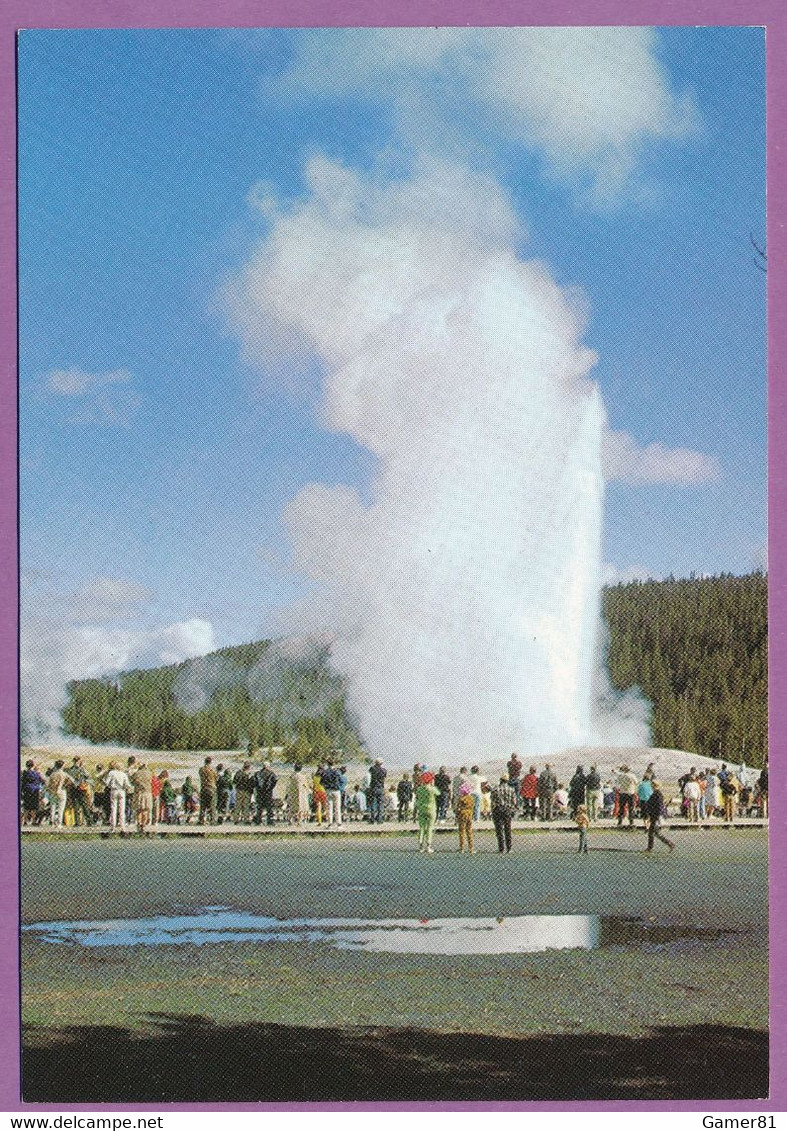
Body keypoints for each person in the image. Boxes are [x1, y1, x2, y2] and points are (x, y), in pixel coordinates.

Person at [490, 775, 518, 854]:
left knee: (499, 830)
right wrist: (513, 810)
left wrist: (492, 810)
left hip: (498, 809)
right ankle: (509, 848)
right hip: (507, 810)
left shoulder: (495, 789)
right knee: (507, 829)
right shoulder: (511, 789)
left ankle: (501, 848)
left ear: (500, 780)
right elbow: (514, 802)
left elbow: (492, 801)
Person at [645, 780, 675, 852]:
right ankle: (669, 844)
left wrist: (657, 816)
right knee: (654, 832)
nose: (651, 786)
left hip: (655, 815)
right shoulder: (656, 793)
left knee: (652, 832)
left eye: (652, 785)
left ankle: (650, 848)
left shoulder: (657, 794)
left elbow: (658, 806)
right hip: (654, 815)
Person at [414, 771, 440, 854]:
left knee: (421, 827)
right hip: (431, 809)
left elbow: (417, 796)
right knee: (430, 828)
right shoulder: (432, 789)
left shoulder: (419, 789)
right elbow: (438, 793)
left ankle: (421, 846)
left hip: (421, 809)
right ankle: (428, 846)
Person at [104, 761, 132, 830]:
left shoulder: (112, 773)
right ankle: (122, 826)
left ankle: (113, 825)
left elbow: (107, 783)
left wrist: (111, 785)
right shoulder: (123, 774)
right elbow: (127, 784)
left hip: (114, 790)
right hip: (122, 791)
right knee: (122, 809)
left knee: (113, 808)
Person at [46, 761, 73, 829]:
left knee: (53, 807)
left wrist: (51, 789)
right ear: (62, 766)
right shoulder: (64, 774)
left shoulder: (52, 774)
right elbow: (72, 780)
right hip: (62, 791)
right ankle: (59, 823)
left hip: (53, 791)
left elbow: (48, 784)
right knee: (61, 808)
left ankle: (52, 823)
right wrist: (65, 785)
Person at [68, 756, 93, 826]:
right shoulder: (81, 769)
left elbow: (88, 777)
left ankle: (80, 822)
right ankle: (86, 821)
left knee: (80, 805)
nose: (76, 762)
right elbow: (88, 777)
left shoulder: (72, 769)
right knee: (80, 805)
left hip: (77, 788)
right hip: (78, 788)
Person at [21, 760, 46, 825]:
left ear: (27, 765)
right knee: (34, 807)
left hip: (27, 791)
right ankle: (33, 821)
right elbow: (43, 781)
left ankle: (25, 821)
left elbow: (22, 783)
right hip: (35, 791)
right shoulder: (37, 773)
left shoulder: (24, 773)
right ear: (33, 765)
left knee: (26, 806)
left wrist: (21, 791)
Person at [255, 761, 278, 826]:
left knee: (259, 807)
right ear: (268, 766)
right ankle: (270, 821)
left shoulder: (258, 773)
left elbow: (254, 782)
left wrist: (257, 788)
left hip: (260, 792)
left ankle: (258, 820)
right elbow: (275, 780)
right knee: (269, 807)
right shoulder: (271, 773)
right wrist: (271, 787)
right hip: (268, 792)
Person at [321, 760, 343, 826]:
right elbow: (341, 780)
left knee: (329, 807)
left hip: (328, 790)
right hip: (336, 790)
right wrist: (339, 787)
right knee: (337, 807)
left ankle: (330, 823)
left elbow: (321, 782)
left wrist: (325, 787)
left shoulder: (325, 772)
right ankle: (338, 823)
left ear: (327, 764)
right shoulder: (336, 771)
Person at [456, 782, 475, 854]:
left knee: (462, 831)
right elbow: (473, 807)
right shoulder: (471, 798)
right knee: (469, 831)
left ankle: (462, 848)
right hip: (469, 814)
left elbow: (458, 808)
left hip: (462, 814)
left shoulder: (461, 798)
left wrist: (457, 816)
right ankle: (471, 848)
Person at [199, 757, 218, 825]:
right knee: (212, 806)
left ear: (205, 761)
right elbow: (216, 778)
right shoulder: (212, 770)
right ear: (211, 762)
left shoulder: (201, 769)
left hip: (203, 788)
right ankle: (212, 820)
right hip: (211, 789)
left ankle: (201, 820)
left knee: (202, 806)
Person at [368, 759, 387, 824]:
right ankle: (380, 819)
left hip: (373, 787)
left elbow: (370, 772)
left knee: (372, 803)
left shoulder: (372, 769)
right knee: (380, 804)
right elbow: (384, 777)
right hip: (380, 787)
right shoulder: (383, 770)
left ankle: (372, 819)